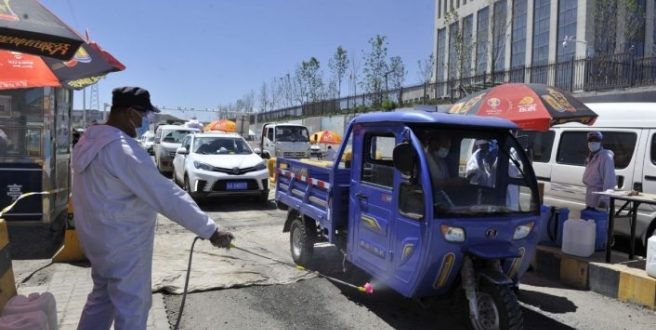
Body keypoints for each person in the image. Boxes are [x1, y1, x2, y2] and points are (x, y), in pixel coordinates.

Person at [72, 87, 234, 330]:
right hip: (123, 243)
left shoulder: (89, 140)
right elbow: (165, 194)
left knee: (102, 298)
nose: (147, 121)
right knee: (133, 307)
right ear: (129, 112)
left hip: (97, 240)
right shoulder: (122, 149)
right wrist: (209, 229)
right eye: (144, 114)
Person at [582, 131, 616, 210]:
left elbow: (610, 181)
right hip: (590, 197)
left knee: (598, 221)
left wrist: (604, 200)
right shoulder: (591, 156)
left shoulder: (606, 157)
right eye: (590, 140)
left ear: (600, 142)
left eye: (596, 140)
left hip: (599, 200)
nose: (592, 143)